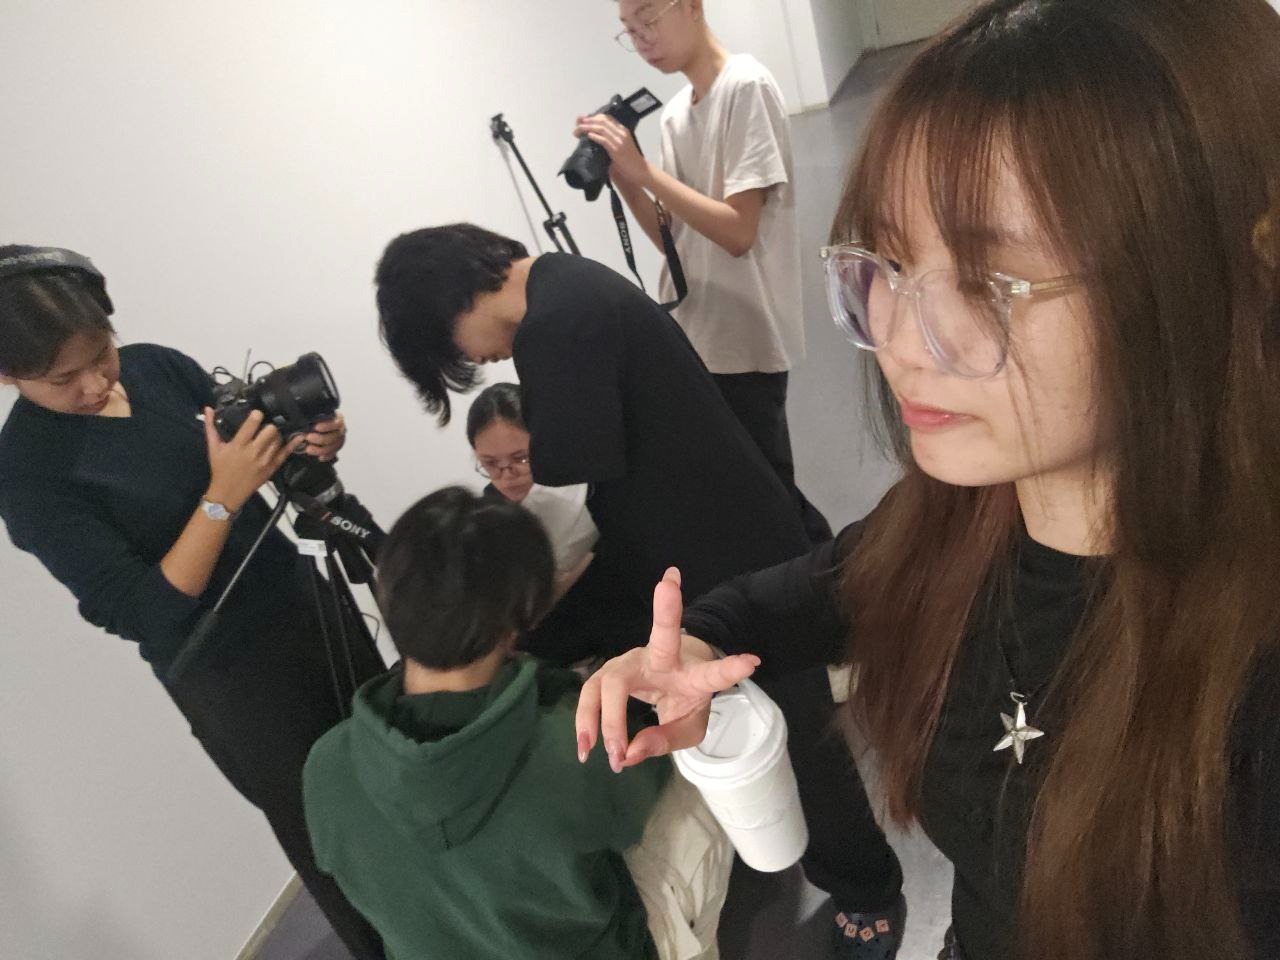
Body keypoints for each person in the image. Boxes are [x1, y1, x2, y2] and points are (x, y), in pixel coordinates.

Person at [574, 1, 1280, 959]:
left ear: (1213, 270)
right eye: (892, 262)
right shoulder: (959, 517)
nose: (900, 342)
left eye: (990, 281)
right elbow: (806, 593)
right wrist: (692, 644)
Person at [376, 227, 905, 955]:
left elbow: (569, 466)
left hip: (723, 543)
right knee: (575, 644)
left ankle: (868, 886)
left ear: (452, 305)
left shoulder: (558, 322)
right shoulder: (565, 287)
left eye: (453, 350)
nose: (474, 361)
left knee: (800, 722)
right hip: (681, 535)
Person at [0, 247, 386, 959]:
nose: (94, 383)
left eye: (100, 354)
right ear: (7, 375)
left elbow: (262, 457)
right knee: (332, 838)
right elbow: (143, 610)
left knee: (399, 764)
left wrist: (308, 447)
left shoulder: (156, 368)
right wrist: (222, 497)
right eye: (62, 378)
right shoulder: (27, 474)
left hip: (303, 602)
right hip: (229, 672)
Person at [303, 487, 732, 960]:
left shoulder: (325, 766)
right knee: (696, 775)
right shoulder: (573, 746)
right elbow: (645, 774)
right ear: (521, 617)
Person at [574, 0, 832, 544]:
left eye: (648, 19)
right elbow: (675, 243)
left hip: (746, 332)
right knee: (739, 487)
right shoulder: (674, 114)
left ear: (691, 6)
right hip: (697, 331)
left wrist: (646, 171)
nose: (642, 39)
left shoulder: (746, 87)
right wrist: (627, 181)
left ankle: (828, 575)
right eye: (629, 31)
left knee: (770, 491)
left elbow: (738, 232)